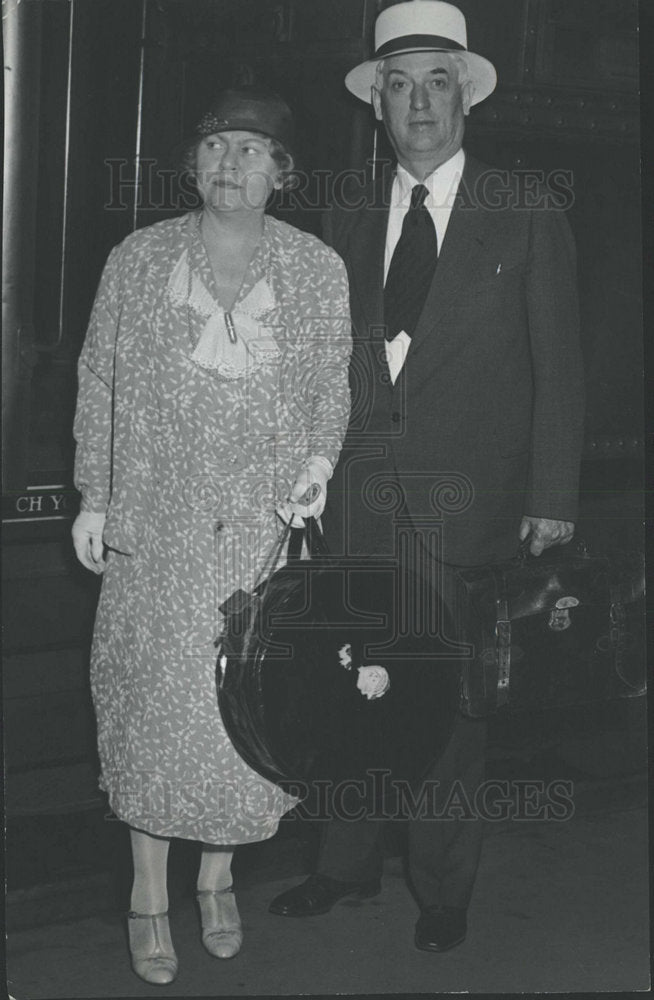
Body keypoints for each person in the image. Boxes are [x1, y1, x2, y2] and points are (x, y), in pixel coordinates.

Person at [269, 0, 585, 954]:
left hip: (470, 507)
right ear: (377, 108)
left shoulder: (525, 208)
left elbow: (559, 365)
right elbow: (318, 365)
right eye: (398, 87)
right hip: (357, 505)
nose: (418, 105)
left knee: (445, 700)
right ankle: (343, 867)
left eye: (435, 83)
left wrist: (553, 500)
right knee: (346, 682)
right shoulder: (347, 215)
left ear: (466, 99)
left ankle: (444, 892)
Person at [71, 87, 351, 985]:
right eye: (215, 146)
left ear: (284, 172)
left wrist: (318, 463)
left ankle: (219, 878)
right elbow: (98, 383)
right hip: (156, 527)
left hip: (257, 537)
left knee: (239, 716)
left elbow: (328, 385)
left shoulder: (316, 269)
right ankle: (148, 891)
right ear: (192, 164)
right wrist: (93, 497)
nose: (229, 163)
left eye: (251, 149)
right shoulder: (138, 258)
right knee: (155, 712)